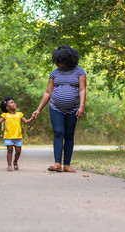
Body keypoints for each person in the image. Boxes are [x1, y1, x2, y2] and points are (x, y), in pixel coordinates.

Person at [32, 45, 86, 173]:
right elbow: (47, 92)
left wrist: (81, 106)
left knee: (69, 135)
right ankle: (57, 163)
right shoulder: (54, 73)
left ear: (67, 60)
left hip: (73, 109)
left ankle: (66, 164)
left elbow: (82, 89)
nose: (57, 64)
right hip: (55, 108)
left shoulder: (80, 72)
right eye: (56, 61)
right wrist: (38, 109)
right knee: (58, 132)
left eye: (59, 62)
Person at [0, 97, 33, 171]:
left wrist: (31, 118)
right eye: (11, 102)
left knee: (18, 151)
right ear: (7, 107)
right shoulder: (5, 115)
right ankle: (9, 165)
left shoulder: (19, 114)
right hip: (8, 137)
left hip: (18, 137)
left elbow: (26, 121)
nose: (14, 103)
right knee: (9, 151)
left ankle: (15, 162)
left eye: (14, 102)